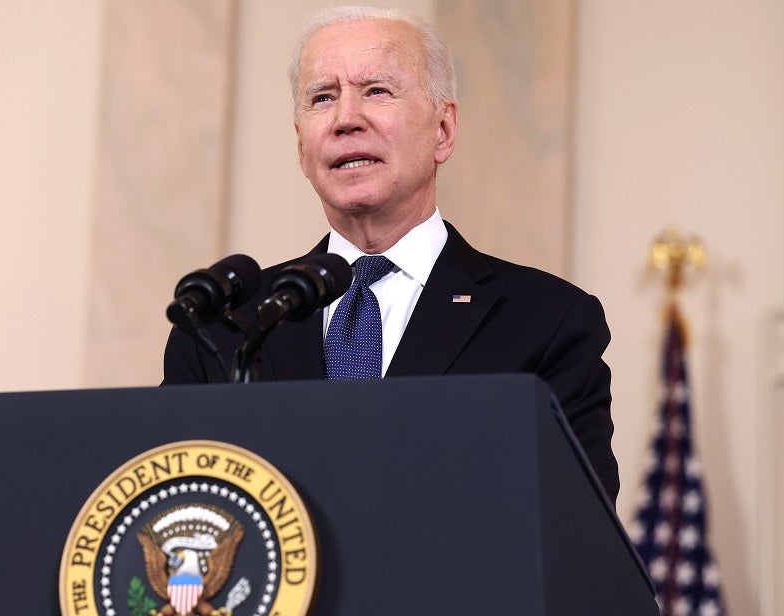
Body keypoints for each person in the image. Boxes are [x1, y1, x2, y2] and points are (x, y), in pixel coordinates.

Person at [162, 6, 618, 504]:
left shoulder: (547, 322)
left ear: (442, 131)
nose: (345, 119)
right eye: (322, 97)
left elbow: (574, 532)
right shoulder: (224, 330)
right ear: (301, 147)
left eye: (376, 91)